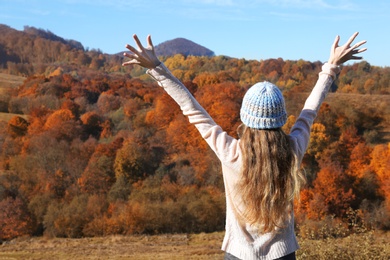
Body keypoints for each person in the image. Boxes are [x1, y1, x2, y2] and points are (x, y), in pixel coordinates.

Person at [122, 33, 367, 260]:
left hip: (238, 255)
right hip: (283, 255)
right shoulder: (293, 150)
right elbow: (309, 112)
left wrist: (156, 68)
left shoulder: (230, 152)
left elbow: (191, 108)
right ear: (281, 118)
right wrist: (331, 67)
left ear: (245, 118)